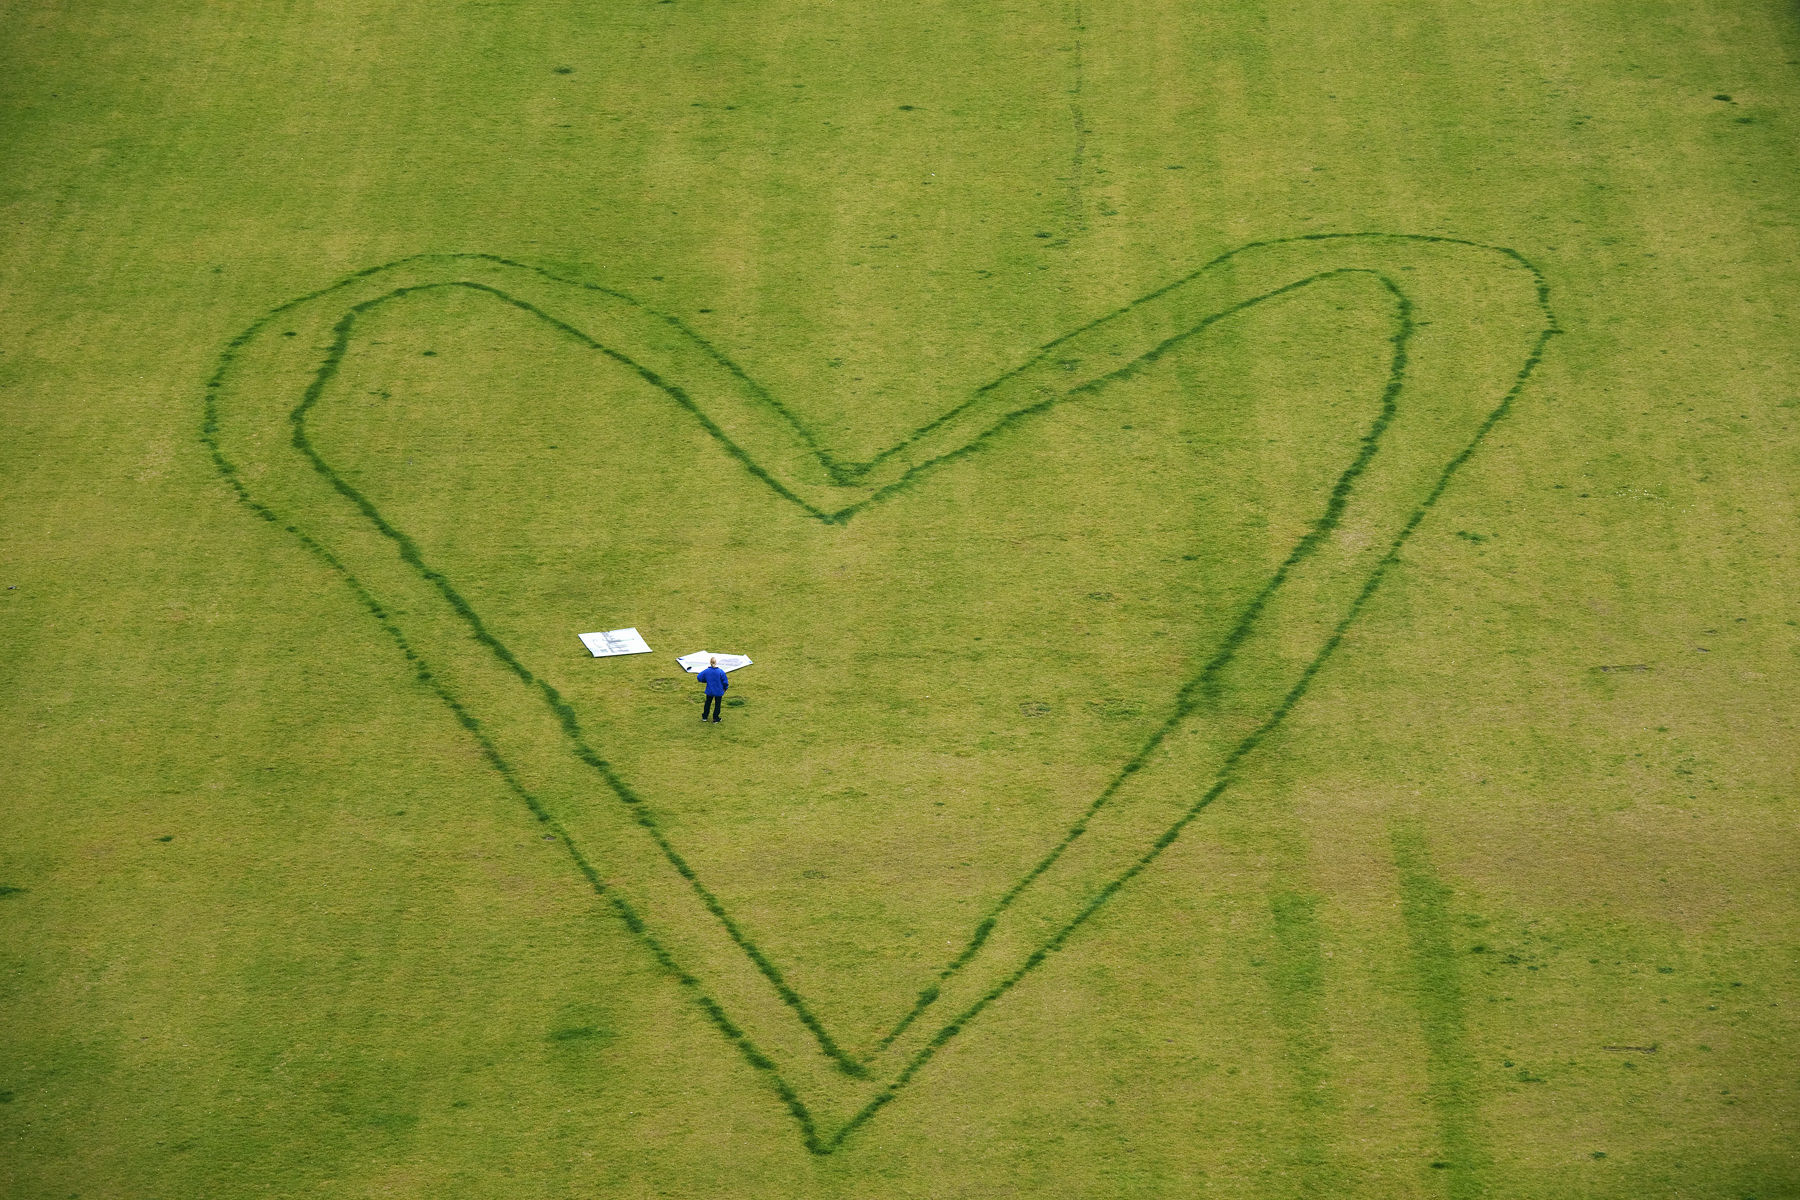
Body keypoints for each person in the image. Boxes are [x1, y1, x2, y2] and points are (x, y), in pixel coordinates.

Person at [697, 656, 729, 723]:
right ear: (716, 662)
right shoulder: (720, 672)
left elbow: (699, 677)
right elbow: (725, 682)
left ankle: (705, 717)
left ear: (710, 662)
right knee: (717, 705)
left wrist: (705, 680)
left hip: (710, 691)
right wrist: (725, 688)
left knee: (707, 703)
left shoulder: (707, 671)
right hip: (718, 691)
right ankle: (715, 718)